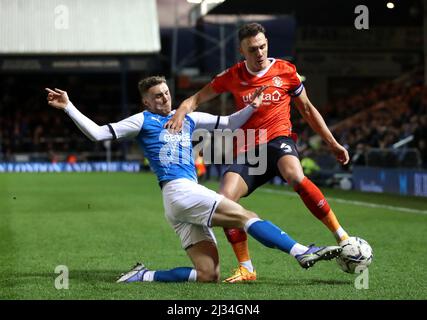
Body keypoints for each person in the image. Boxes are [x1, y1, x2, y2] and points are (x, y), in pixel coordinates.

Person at [45, 76, 342, 283]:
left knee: (208, 275)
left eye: (166, 92)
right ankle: (301, 252)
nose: (164, 98)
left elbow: (228, 123)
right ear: (146, 101)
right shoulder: (142, 120)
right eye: (156, 96)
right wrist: (69, 106)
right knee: (246, 216)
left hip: (181, 200)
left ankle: (143, 276)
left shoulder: (187, 117)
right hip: (179, 192)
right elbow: (98, 133)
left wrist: (252, 106)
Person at [165, 23, 351, 283]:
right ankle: (246, 268)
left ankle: (342, 236)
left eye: (263, 46)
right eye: (253, 49)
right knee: (225, 200)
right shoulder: (232, 75)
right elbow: (194, 100)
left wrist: (332, 142)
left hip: (278, 140)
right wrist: (181, 114)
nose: (260, 52)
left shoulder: (286, 71)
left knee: (295, 176)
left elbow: (307, 109)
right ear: (242, 51)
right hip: (248, 147)